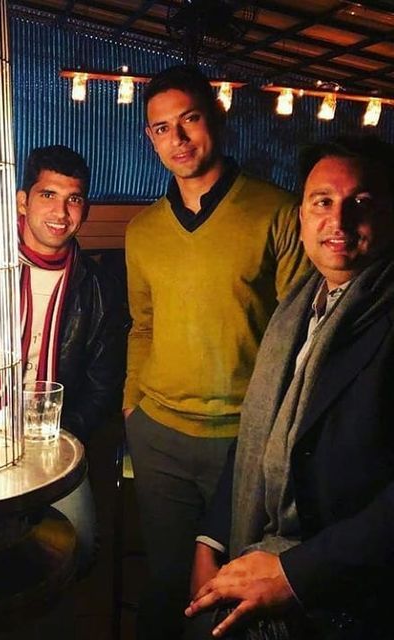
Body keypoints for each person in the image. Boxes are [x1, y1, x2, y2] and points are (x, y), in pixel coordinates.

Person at [122, 64, 310, 638]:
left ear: (216, 118)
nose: (177, 140)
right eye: (160, 129)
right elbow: (142, 325)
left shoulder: (277, 211)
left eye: (189, 120)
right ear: (149, 139)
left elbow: (298, 335)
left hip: (243, 439)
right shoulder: (143, 230)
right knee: (166, 581)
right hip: (159, 435)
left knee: (230, 593)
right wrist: (132, 407)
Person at [186, 136, 394, 640]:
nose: (338, 223)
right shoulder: (298, 308)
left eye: (359, 204)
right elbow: (264, 428)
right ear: (301, 216)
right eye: (322, 202)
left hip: (346, 593)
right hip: (258, 550)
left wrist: (294, 575)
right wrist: (210, 539)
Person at [17, 144, 127, 570]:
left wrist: (57, 436)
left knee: (78, 548)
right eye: (48, 195)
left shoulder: (100, 286)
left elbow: (103, 386)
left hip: (55, 438)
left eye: (73, 198)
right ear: (23, 201)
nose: (61, 212)